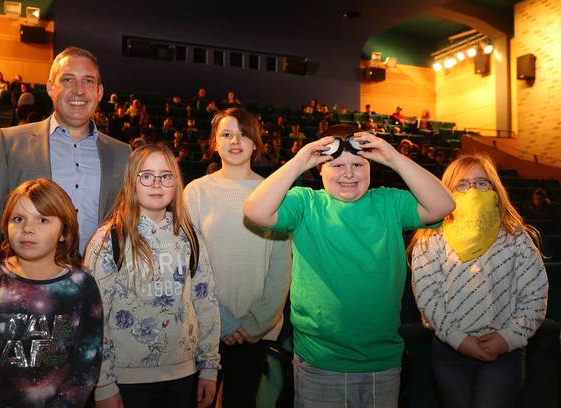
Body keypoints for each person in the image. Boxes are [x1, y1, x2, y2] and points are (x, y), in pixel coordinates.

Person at [243, 124, 455, 407]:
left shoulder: (388, 202)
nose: (349, 173)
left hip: (382, 361)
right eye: (337, 165)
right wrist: (298, 161)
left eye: (358, 164)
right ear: (319, 168)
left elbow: (443, 204)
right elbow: (255, 210)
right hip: (320, 362)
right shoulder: (306, 203)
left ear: (371, 165)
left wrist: (393, 157)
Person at [0, 178, 103, 407]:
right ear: (6, 227)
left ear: (64, 231)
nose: (28, 228)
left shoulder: (82, 287)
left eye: (43, 219)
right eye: (18, 219)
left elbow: (86, 364)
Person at [0, 46, 131, 273]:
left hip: (100, 287)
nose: (79, 90)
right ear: (51, 88)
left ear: (100, 92)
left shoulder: (123, 153)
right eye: (68, 79)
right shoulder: (9, 143)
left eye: (88, 81)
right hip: (27, 286)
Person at [84, 144, 220, 408]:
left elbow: (206, 302)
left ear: (175, 183)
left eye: (166, 176)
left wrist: (209, 367)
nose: (157, 183)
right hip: (126, 380)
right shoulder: (109, 239)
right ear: (131, 181)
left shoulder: (189, 236)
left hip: (184, 375)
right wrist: (104, 384)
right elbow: (93, 317)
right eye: (146, 175)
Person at [409, 154, 547, 408]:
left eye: (482, 183)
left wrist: (508, 338)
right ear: (446, 191)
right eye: (462, 184)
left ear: (495, 189)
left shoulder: (516, 237)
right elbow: (429, 297)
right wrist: (460, 340)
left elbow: (535, 294)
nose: (472, 190)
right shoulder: (431, 238)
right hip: (450, 349)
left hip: (505, 350)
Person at [184, 108, 291, 407]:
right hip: (206, 324)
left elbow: (281, 266)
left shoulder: (274, 192)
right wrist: (223, 321)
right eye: (227, 134)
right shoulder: (195, 192)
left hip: (256, 331)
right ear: (214, 143)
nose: (235, 141)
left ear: (256, 143)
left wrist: (255, 323)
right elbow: (191, 262)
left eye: (244, 134)